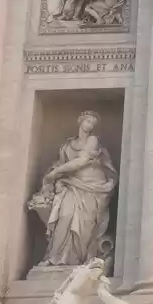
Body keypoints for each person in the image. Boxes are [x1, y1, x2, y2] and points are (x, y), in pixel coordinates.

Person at [29, 112, 118, 267]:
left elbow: (82, 161)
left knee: (85, 226)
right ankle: (55, 258)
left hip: (92, 188)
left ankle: (77, 260)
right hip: (71, 185)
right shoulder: (67, 145)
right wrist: (53, 177)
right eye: (88, 121)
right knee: (65, 217)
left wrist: (56, 173)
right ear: (80, 121)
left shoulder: (92, 140)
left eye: (92, 123)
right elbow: (61, 164)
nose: (89, 125)